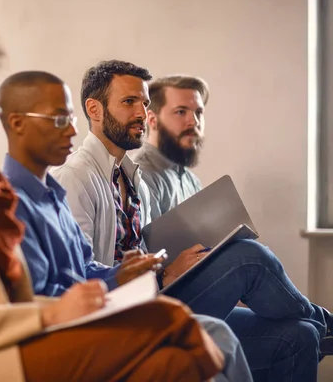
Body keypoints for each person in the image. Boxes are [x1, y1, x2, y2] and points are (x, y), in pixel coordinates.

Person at [0, 23, 224, 382]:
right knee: (172, 320)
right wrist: (52, 314)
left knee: (170, 363)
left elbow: (12, 299)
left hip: (11, 342)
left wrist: (91, 295)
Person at [51, 60, 332, 381]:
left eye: (143, 103)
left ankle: (319, 327)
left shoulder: (133, 179)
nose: (142, 114)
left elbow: (144, 255)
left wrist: (179, 266)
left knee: (299, 337)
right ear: (95, 109)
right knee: (247, 259)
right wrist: (164, 276)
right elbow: (79, 281)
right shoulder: (75, 178)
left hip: (153, 299)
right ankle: (327, 324)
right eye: (129, 102)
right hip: (123, 317)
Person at [0, 70, 252, 382]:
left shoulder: (53, 192)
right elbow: (37, 298)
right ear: (17, 124)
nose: (74, 130)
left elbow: (84, 267)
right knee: (205, 323)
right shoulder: (12, 203)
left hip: (102, 307)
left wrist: (119, 274)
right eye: (60, 119)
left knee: (211, 338)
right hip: (64, 331)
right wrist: (112, 286)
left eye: (143, 103)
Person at [135, 75, 206, 219]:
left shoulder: (191, 181)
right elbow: (149, 242)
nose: (194, 122)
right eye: (181, 112)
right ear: (152, 119)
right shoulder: (139, 177)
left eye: (198, 113)